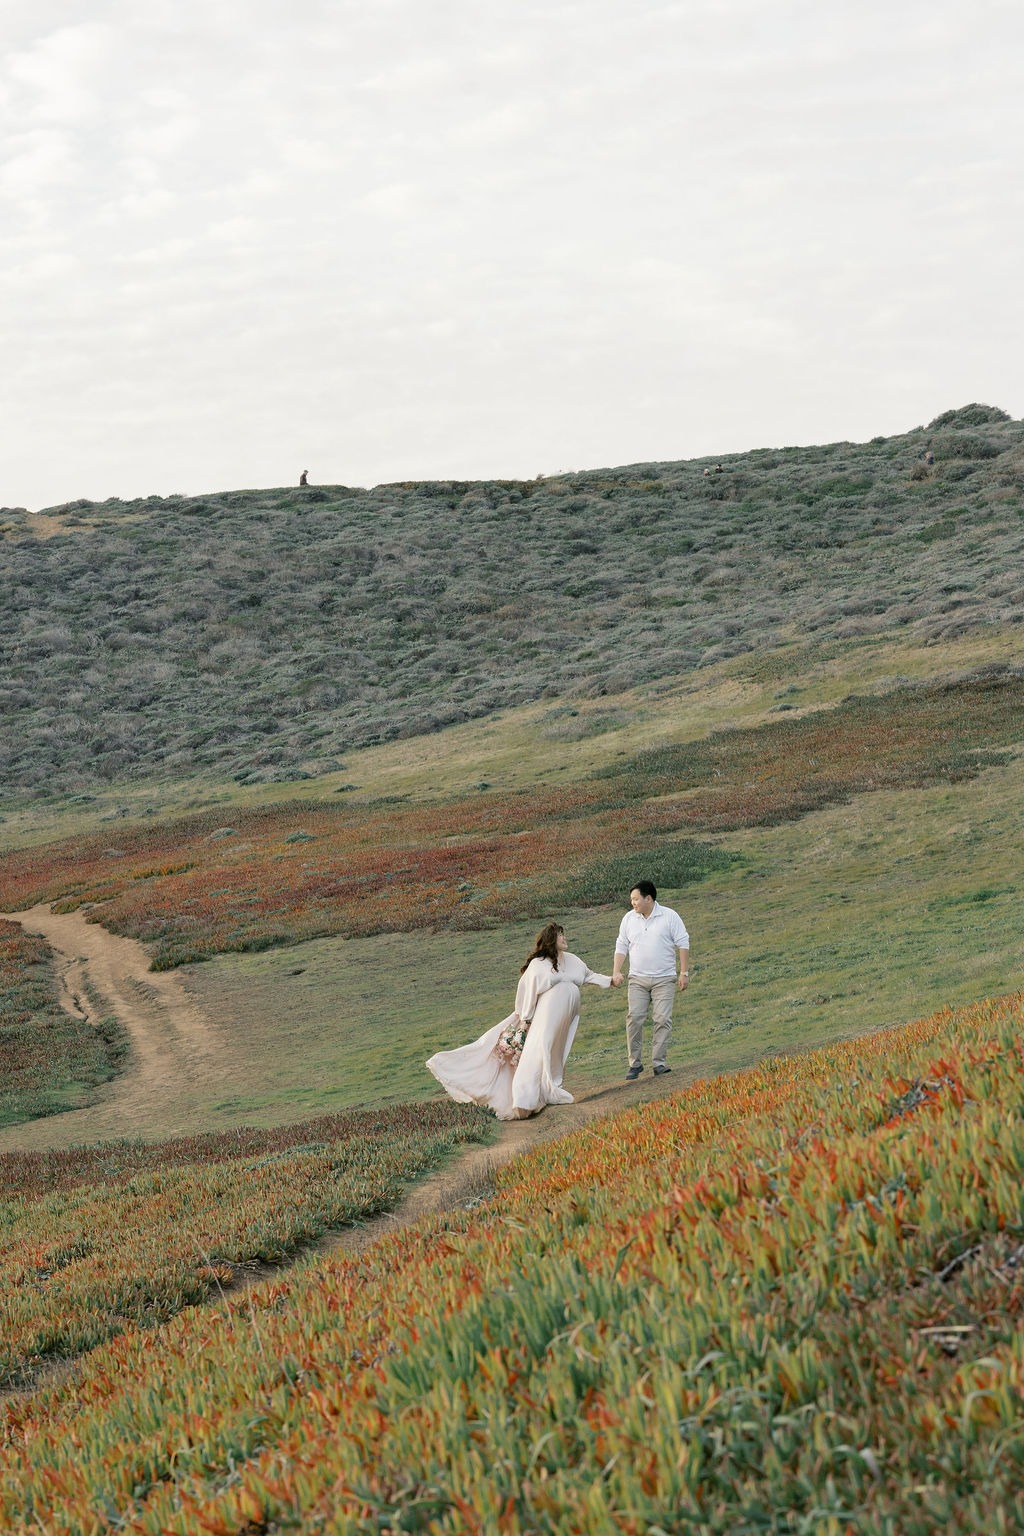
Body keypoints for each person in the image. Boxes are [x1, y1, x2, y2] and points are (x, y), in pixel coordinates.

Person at [426, 923, 612, 1120]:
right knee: (540, 1049)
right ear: (551, 939)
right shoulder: (538, 964)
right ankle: (525, 1099)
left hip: (564, 1017)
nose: (565, 939)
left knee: (555, 1051)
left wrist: (610, 981)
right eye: (561, 935)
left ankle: (550, 1088)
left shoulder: (573, 960)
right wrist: (525, 1019)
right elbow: (528, 993)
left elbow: (589, 975)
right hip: (544, 1016)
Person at [611, 881, 690, 1080]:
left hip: (664, 979)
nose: (633, 903)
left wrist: (684, 973)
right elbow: (621, 945)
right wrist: (616, 971)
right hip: (637, 979)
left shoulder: (669, 916)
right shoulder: (629, 919)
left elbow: (683, 942)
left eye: (636, 899)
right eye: (631, 900)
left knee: (662, 1020)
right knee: (634, 1018)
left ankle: (659, 1063)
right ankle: (634, 1064)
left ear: (648, 898)